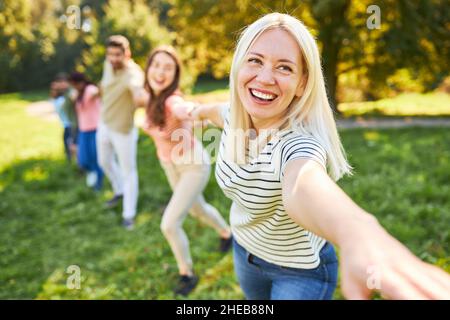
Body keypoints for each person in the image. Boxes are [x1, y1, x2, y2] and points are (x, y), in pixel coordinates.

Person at [189, 13, 450, 300]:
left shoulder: (297, 145)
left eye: (284, 67)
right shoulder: (231, 116)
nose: (264, 78)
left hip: (300, 273)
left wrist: (358, 232)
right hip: (245, 252)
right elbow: (207, 112)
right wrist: (184, 111)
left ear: (302, 84)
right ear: (239, 65)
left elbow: (304, 183)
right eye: (255, 60)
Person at [137, 46, 232, 296]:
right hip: (169, 165)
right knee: (197, 209)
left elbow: (182, 108)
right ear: (148, 68)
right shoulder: (150, 97)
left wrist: (196, 111)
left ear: (175, 74)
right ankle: (226, 233)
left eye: (168, 68)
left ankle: (187, 274)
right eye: (156, 65)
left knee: (169, 224)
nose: (160, 72)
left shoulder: (171, 100)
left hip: (192, 165)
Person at [97, 35, 145, 229]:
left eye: (118, 55)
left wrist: (142, 99)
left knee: (129, 172)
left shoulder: (134, 73)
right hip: (104, 123)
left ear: (128, 54)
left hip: (123, 130)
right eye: (110, 54)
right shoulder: (108, 65)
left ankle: (129, 214)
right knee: (104, 162)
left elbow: (138, 94)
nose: (113, 59)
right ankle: (119, 191)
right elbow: (105, 86)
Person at [69, 72, 103, 191]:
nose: (74, 87)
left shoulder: (90, 89)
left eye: (75, 84)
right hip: (83, 130)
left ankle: (98, 184)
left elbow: (97, 93)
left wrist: (102, 87)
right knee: (83, 159)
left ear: (81, 82)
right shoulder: (77, 94)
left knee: (95, 158)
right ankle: (92, 174)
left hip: (95, 129)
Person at [50, 73, 77, 163]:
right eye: (59, 82)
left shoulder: (69, 93)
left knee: (72, 145)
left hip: (71, 124)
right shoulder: (58, 97)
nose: (61, 85)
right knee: (67, 146)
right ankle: (71, 163)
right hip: (66, 125)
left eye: (63, 82)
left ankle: (76, 164)